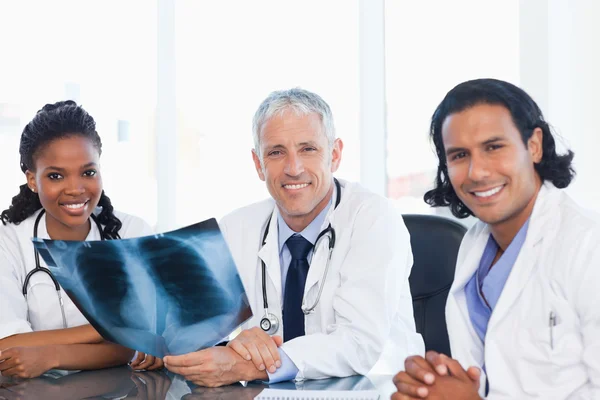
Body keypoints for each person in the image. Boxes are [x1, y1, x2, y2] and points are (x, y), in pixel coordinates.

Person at [163, 88, 424, 386]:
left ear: (335, 154)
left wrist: (247, 366)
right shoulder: (236, 228)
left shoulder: (373, 218)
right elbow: (192, 325)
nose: (293, 168)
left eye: (308, 149)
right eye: (276, 152)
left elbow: (359, 342)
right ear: (258, 164)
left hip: (374, 389)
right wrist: (230, 344)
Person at [391, 78, 600, 399]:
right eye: (459, 155)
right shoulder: (474, 246)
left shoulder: (588, 247)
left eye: (493, 147)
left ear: (534, 145)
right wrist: (435, 385)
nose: (477, 172)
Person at [0, 101, 161, 377]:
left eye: (88, 172)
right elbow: (6, 348)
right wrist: (110, 329)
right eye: (55, 175)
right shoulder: (9, 241)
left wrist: (51, 355)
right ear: (32, 180)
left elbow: (155, 340)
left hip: (125, 389)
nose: (76, 189)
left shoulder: (133, 232)